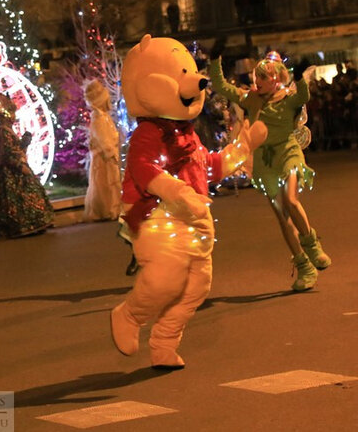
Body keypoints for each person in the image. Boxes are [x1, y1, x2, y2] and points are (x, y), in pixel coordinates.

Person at [110, 34, 266, 370]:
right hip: (157, 216)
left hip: (195, 218)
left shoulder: (187, 132)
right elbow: (142, 169)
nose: (195, 82)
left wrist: (244, 147)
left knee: (196, 286)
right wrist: (178, 192)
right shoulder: (150, 132)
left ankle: (164, 344)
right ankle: (130, 315)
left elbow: (208, 167)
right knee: (167, 276)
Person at [209, 51, 331, 291]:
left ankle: (312, 245)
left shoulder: (289, 98)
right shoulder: (251, 99)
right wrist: (215, 61)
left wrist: (299, 74)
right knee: (282, 216)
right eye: (256, 77)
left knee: (291, 200)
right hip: (264, 162)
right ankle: (304, 267)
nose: (257, 82)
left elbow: (304, 94)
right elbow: (221, 86)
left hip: (288, 153)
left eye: (262, 78)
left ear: (275, 79)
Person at [0, 93, 53, 238]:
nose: (14, 117)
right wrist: (19, 165)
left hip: (17, 167)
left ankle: (34, 222)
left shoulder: (7, 130)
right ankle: (20, 225)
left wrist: (24, 144)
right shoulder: (2, 131)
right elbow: (6, 154)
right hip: (10, 172)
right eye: (12, 114)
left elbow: (15, 149)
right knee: (15, 199)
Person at [83, 80, 122, 222]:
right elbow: (102, 138)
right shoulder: (98, 117)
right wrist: (110, 152)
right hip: (104, 157)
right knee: (106, 184)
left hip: (109, 153)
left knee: (112, 182)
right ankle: (108, 210)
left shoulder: (104, 116)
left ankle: (114, 208)